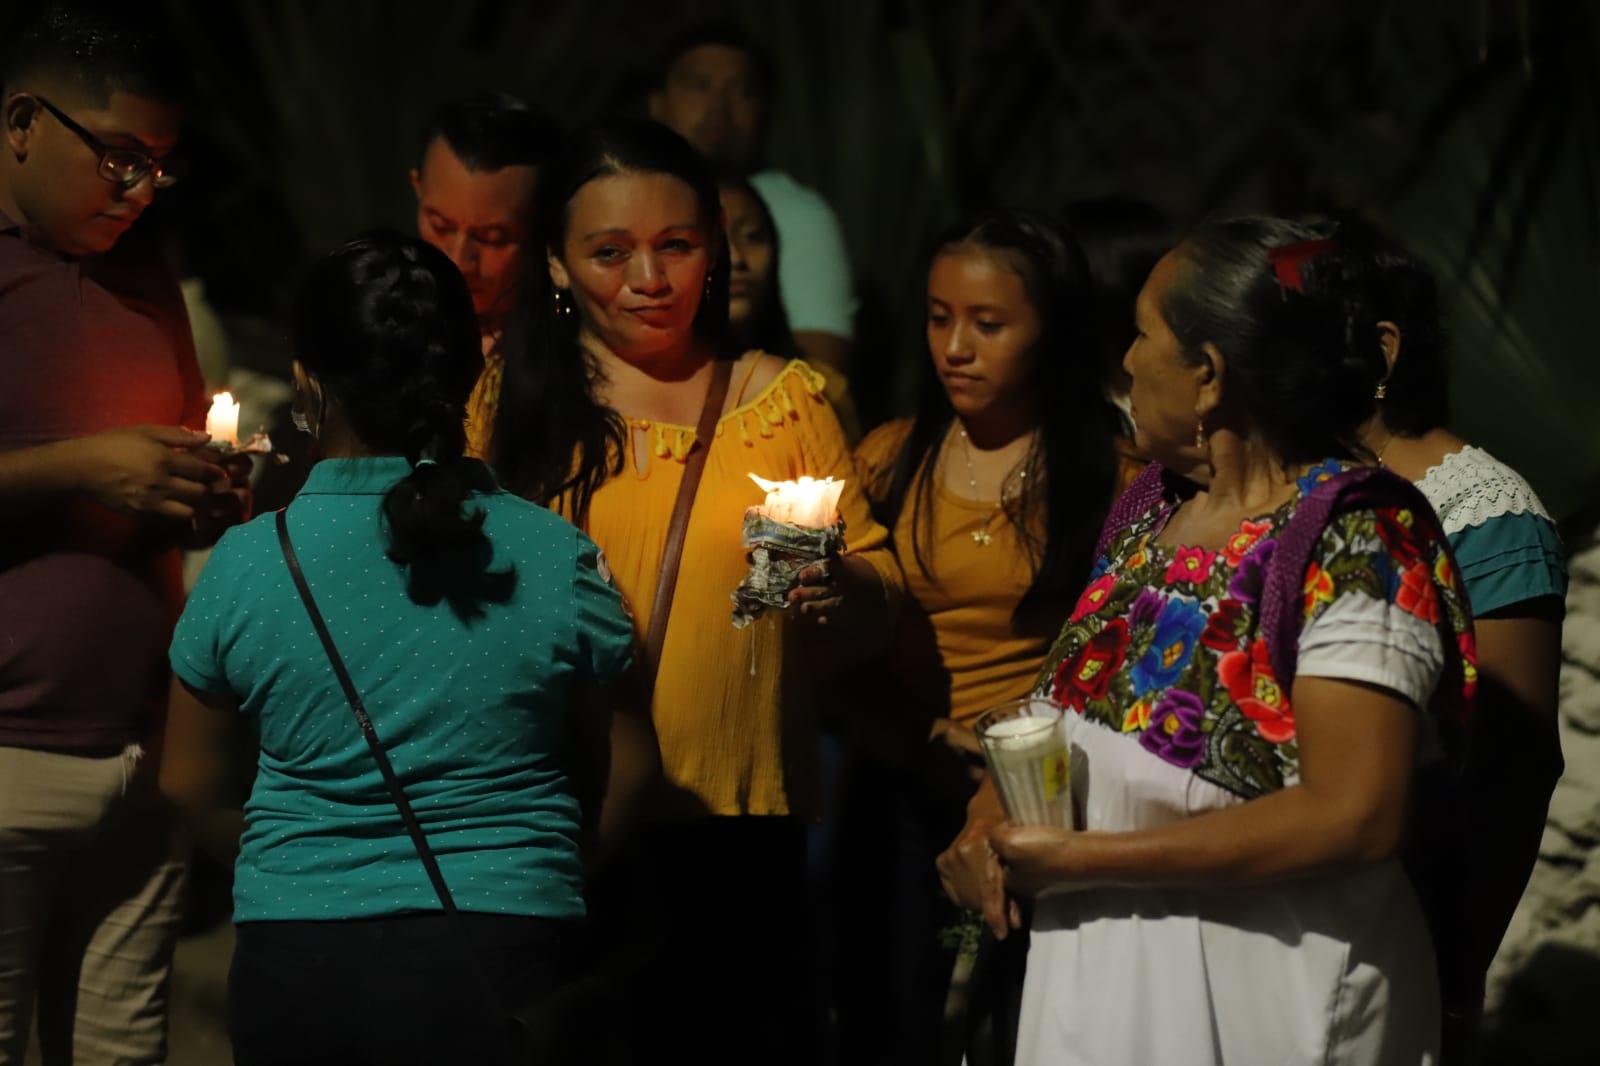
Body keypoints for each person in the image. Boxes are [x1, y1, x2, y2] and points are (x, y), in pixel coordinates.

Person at [937, 217, 1477, 1065]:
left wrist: (1084, 864)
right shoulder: (1150, 508)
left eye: (1145, 334)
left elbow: (1355, 814)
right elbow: (1065, 704)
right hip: (1104, 983)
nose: (1125, 361)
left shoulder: (1356, 539)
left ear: (1208, 376)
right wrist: (989, 814)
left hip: (1263, 999)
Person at [159, 232, 652, 1066]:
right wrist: (532, 865)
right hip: (506, 954)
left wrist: (304, 863)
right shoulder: (555, 557)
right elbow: (633, 764)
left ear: (308, 385)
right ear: (465, 378)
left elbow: (186, 781)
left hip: (301, 960)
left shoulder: (249, 563)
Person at [492, 117, 902, 1065]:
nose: (650, 278)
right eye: (609, 252)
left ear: (714, 248)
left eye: (676, 246)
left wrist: (839, 587)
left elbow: (877, 605)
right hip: (557, 825)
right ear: (556, 265)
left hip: (734, 835)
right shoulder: (509, 405)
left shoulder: (782, 403)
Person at [0, 6, 240, 1063]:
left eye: (160, 167)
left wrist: (203, 487)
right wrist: (80, 466)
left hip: (143, 755)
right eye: (119, 159)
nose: (140, 191)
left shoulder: (146, 281)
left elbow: (172, 470)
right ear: (20, 122)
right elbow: (92, 468)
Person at [834, 209, 1125, 1065]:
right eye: (937, 317)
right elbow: (834, 644)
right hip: (897, 778)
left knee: (1018, 1023)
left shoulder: (1112, 477)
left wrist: (1007, 756)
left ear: (1055, 332)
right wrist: (916, 735)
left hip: (1042, 797)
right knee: (891, 1016)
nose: (955, 346)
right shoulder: (892, 459)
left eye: (988, 324)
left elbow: (1118, 654)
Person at [1348, 226, 1566, 1051]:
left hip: (1402, 933)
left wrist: (1454, 967)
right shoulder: (1296, 487)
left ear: (1381, 350)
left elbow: (1510, 772)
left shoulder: (1487, 512)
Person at [648, 19, 859, 423]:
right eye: (698, 85)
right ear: (658, 102)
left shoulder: (798, 212)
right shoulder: (623, 197)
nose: (718, 105)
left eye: (741, 91)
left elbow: (821, 374)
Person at [411, 91, 563, 457]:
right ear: (417, 188)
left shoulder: (564, 359)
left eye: (493, 238)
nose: (459, 258)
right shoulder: (381, 324)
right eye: (440, 225)